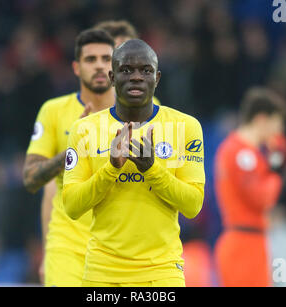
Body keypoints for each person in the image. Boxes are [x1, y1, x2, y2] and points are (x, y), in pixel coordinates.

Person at [62, 39, 205, 287]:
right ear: (111, 77)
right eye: (126, 70)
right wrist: (111, 169)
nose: (136, 77)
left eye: (145, 70)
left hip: (161, 273)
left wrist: (152, 170)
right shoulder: (84, 129)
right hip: (101, 273)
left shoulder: (185, 127)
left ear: (157, 78)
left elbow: (193, 206)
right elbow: (72, 206)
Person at [22, 28, 116, 287]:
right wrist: (72, 150)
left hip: (120, 251)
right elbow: (31, 179)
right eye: (90, 59)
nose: (99, 66)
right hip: (68, 250)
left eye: (106, 59)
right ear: (76, 68)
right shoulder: (53, 111)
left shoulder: (140, 112)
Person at [214, 87, 286, 287]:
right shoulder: (241, 154)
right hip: (243, 244)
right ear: (262, 120)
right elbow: (262, 198)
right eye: (277, 123)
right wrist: (276, 170)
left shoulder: (248, 153)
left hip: (250, 241)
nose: (279, 131)